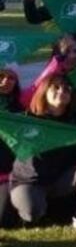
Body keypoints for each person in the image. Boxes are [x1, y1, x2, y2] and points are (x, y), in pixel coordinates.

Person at [9, 76, 76, 224]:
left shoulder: (75, 123)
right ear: (44, 91)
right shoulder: (28, 120)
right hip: (30, 181)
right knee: (32, 213)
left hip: (60, 181)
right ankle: (35, 207)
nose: (61, 91)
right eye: (56, 87)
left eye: (66, 88)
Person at [0, 68, 23, 227]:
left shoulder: (21, 109)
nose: (5, 81)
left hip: (7, 174)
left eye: (11, 78)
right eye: (1, 77)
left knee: (5, 220)